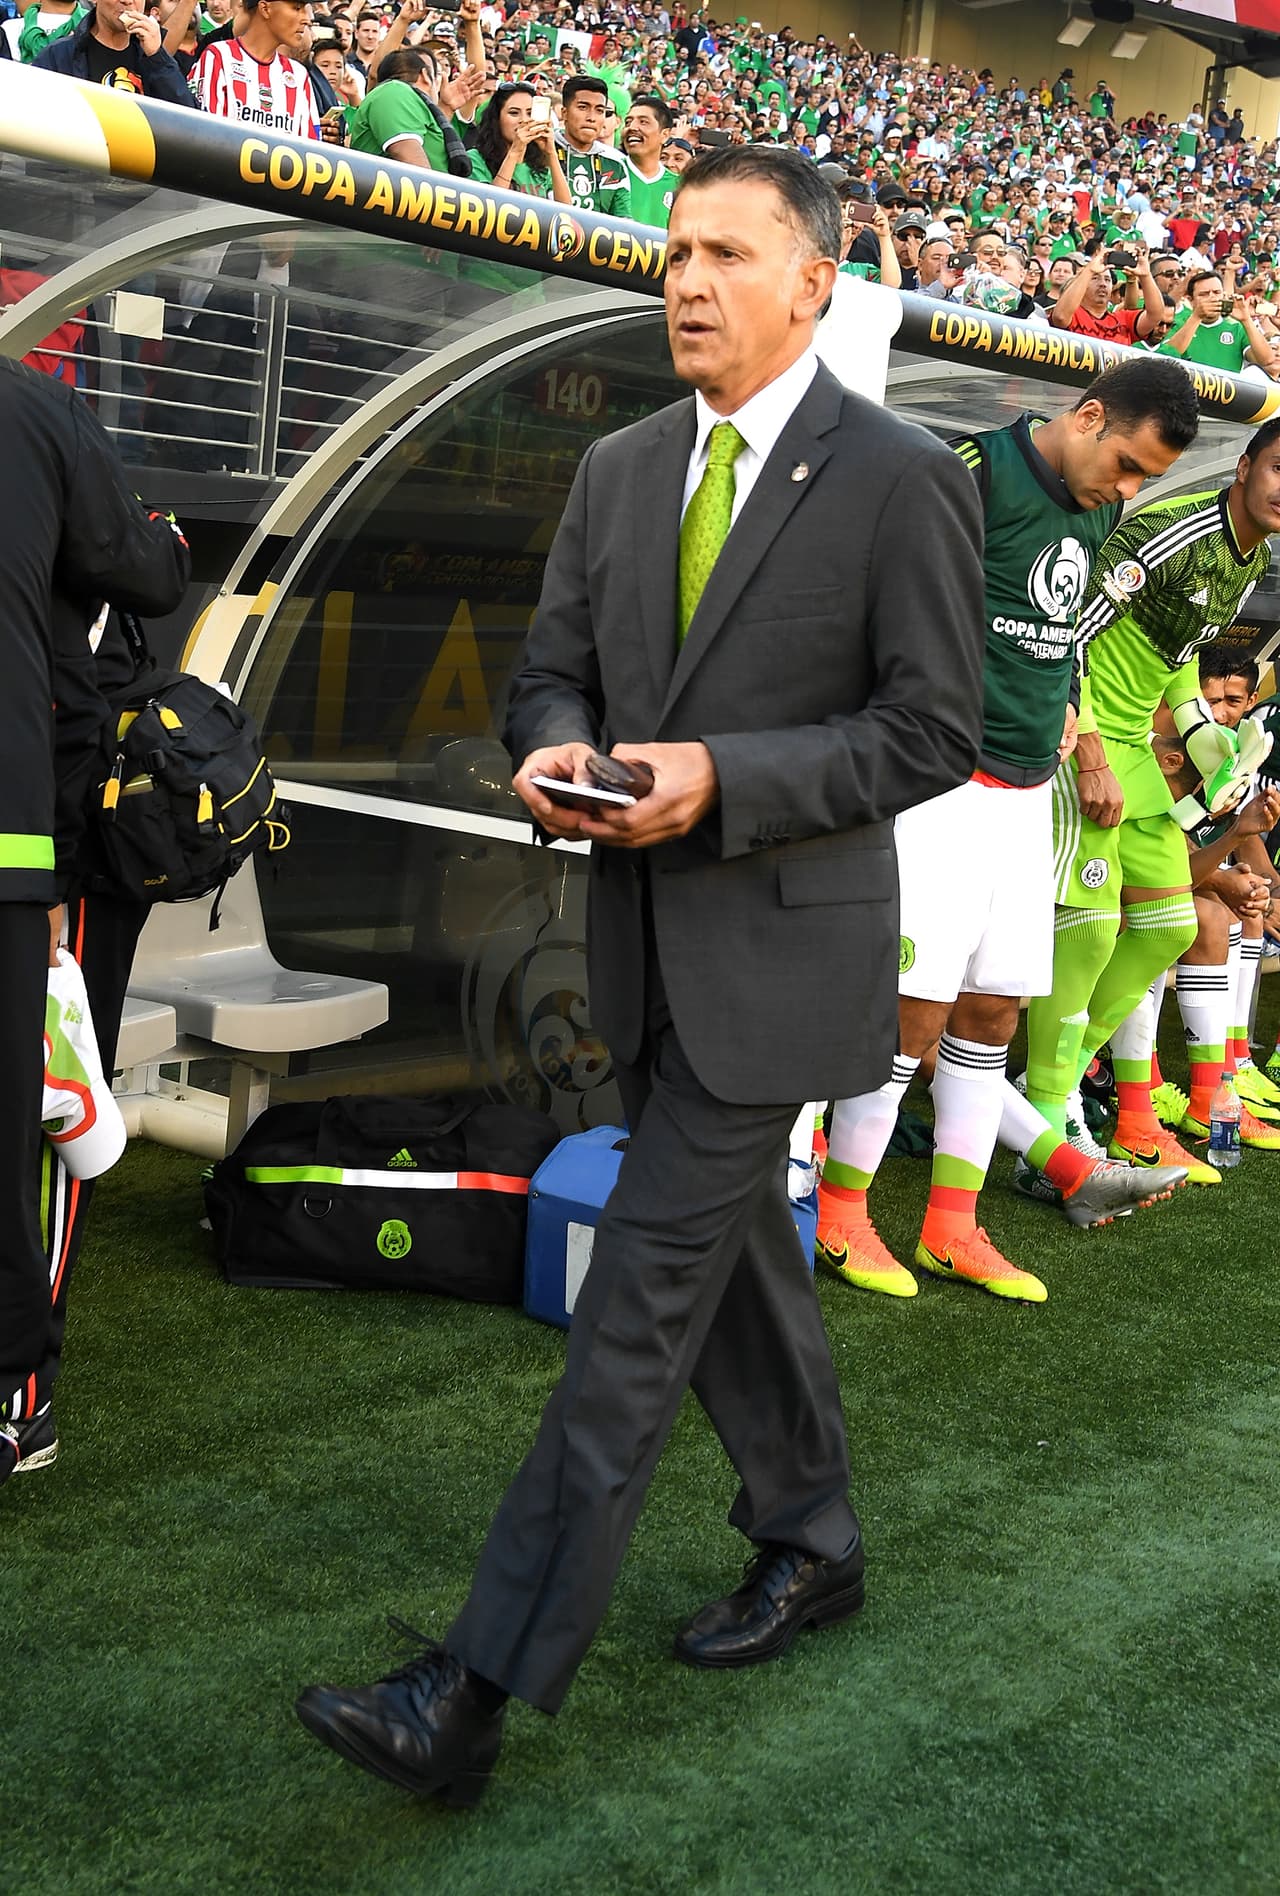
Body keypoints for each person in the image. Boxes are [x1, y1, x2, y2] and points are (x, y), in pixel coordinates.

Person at [295, 144, 987, 1801]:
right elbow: (548, 675)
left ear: (815, 281)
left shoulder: (899, 475)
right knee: (739, 1272)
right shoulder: (616, 470)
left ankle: (465, 1694)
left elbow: (931, 728)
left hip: (774, 979)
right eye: (674, 250)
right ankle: (813, 1536)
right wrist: (556, 755)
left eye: (728, 254)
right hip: (632, 956)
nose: (685, 279)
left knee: (629, 1320)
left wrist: (721, 782)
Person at [817, 360, 1197, 1304]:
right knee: (916, 1012)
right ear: (1089, 414)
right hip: (942, 785)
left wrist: (1071, 713)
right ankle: (839, 1213)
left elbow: (1059, 629)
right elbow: (871, 603)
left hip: (1030, 791)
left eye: (1146, 479)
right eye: (1127, 465)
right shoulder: (968, 474)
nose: (1129, 490)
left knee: (992, 1012)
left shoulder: (1097, 509)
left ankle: (952, 1227)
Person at [0, 357, 188, 1485]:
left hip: (38, 826)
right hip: (29, 836)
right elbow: (146, 565)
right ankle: (20, 1390)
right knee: (35, 1103)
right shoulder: (35, 405)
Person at [1025, 422, 1280, 1186]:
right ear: (1243, 467)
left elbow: (1174, 658)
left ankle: (1062, 1081)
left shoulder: (1252, 556)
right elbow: (1067, 631)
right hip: (1083, 744)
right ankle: (1046, 1118)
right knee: (1092, 933)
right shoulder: (1176, 530)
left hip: (1139, 754)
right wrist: (1093, 753)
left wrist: (1204, 733)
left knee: (1169, 925)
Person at [189, 0, 318, 137]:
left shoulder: (298, 74)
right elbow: (205, 139)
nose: (306, 19)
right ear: (265, 8)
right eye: (297, 8)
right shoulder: (218, 57)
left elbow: (310, 149)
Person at [346, 45, 481, 175]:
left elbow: (429, 144)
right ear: (425, 76)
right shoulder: (394, 91)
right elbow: (413, 165)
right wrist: (433, 197)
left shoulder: (404, 101)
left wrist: (446, 108)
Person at [33, 0, 191, 99]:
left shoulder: (153, 57)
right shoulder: (58, 55)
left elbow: (186, 122)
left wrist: (157, 57)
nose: (127, 1)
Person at [1159, 270, 1277, 379]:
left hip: (1226, 398)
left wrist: (1246, 320)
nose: (1212, 297)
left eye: (1217, 292)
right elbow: (1166, 356)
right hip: (1186, 395)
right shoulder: (1177, 323)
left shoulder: (1236, 328)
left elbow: (1266, 360)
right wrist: (1196, 317)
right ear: (1190, 299)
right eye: (1204, 294)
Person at [467, 79, 570, 200]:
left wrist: (551, 153)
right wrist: (515, 151)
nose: (524, 120)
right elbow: (491, 206)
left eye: (530, 113)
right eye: (514, 113)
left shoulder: (539, 164)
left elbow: (566, 211)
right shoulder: (475, 159)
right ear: (496, 119)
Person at [1048, 244, 1167, 344]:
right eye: (1095, 278)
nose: (1103, 284)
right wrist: (1089, 270)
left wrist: (1145, 275)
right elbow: (1060, 317)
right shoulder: (1073, 315)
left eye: (1107, 279)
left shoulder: (1123, 320)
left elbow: (1155, 315)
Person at [555, 72, 631, 217]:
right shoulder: (541, 150)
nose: (592, 118)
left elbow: (624, 224)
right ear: (564, 113)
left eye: (600, 111)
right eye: (583, 107)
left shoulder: (615, 164)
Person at [622, 93, 679, 228]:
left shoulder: (680, 186)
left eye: (643, 122)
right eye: (628, 122)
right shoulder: (610, 174)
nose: (632, 128)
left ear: (665, 135)